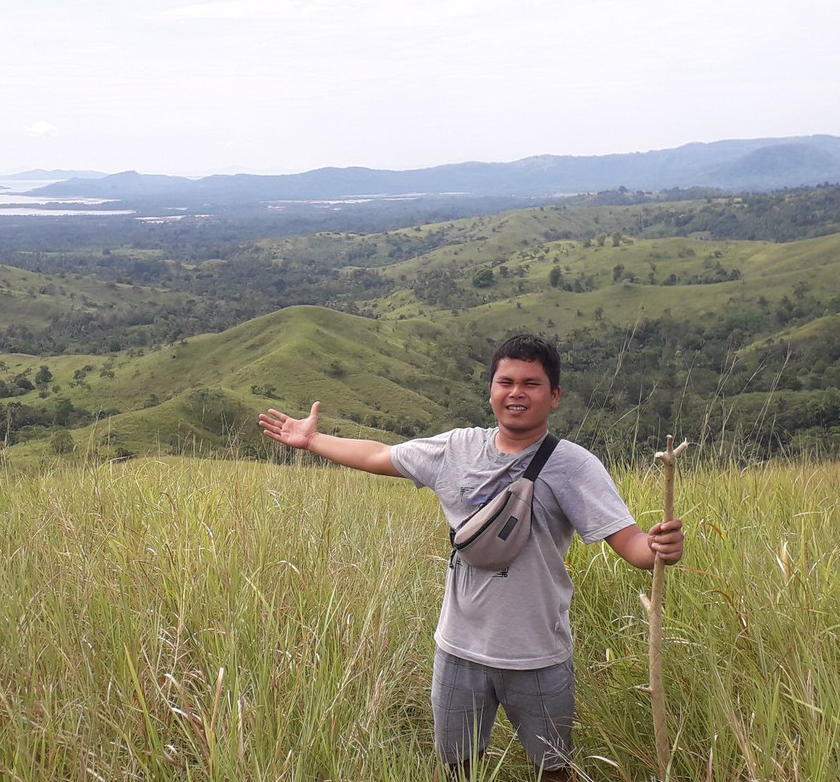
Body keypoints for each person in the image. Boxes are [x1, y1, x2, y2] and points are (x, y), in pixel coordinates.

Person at [258, 333, 684, 780]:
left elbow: (631, 542)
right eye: (506, 381)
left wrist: (658, 548)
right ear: (491, 389)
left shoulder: (574, 466)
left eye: (531, 384)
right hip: (458, 648)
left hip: (536, 655)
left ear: (554, 396)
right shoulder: (457, 449)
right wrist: (312, 440)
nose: (516, 392)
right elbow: (382, 455)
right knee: (459, 767)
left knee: (555, 769)